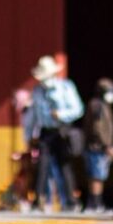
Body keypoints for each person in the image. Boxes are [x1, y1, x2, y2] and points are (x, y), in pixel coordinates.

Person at [28, 55, 84, 211]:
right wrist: (30, 136)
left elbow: (78, 109)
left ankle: (72, 201)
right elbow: (33, 116)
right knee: (42, 165)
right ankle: (38, 200)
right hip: (46, 132)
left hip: (62, 130)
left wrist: (61, 114)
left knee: (64, 165)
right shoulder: (37, 91)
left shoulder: (66, 87)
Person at [82, 78, 113, 216]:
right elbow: (97, 127)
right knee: (96, 176)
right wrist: (106, 146)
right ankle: (94, 205)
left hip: (99, 147)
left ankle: (95, 204)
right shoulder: (97, 105)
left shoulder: (102, 105)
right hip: (96, 147)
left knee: (99, 176)